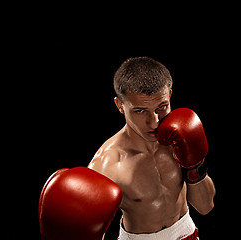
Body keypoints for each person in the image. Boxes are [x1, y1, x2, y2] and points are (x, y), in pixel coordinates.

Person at [88, 56, 216, 240]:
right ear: (120, 105)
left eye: (162, 107)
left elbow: (206, 206)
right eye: (140, 111)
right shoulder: (106, 165)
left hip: (188, 234)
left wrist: (194, 166)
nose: (154, 122)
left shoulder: (179, 138)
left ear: (169, 96)